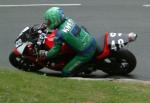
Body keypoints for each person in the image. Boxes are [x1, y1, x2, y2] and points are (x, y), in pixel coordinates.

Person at [39, 7, 97, 76]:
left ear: (55, 20)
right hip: (91, 40)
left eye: (49, 21)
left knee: (65, 72)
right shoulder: (69, 20)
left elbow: (55, 50)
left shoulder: (60, 34)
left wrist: (45, 54)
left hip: (86, 52)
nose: (47, 23)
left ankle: (81, 72)